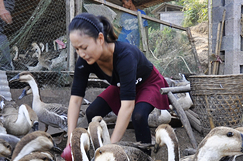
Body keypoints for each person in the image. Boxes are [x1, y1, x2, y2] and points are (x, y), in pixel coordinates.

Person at [66, 12, 170, 145]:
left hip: (147, 82)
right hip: (122, 84)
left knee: (138, 116)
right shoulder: (84, 61)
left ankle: (145, 156)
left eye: (84, 47)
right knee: (92, 111)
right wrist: (70, 139)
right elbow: (75, 101)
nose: (81, 54)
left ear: (100, 39)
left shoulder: (125, 56)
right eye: (76, 49)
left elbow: (127, 106)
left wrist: (111, 147)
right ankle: (98, 146)